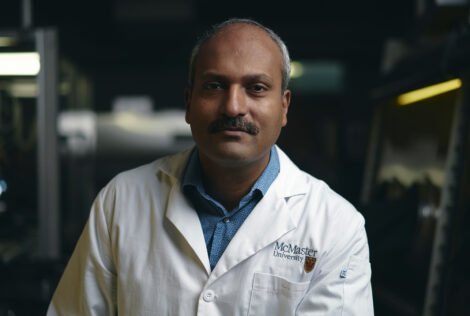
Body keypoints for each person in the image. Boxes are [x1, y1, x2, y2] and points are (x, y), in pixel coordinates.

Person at [47, 18, 373, 315]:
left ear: (284, 106)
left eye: (256, 88)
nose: (233, 106)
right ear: (189, 103)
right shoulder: (120, 200)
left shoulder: (336, 226)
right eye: (214, 86)